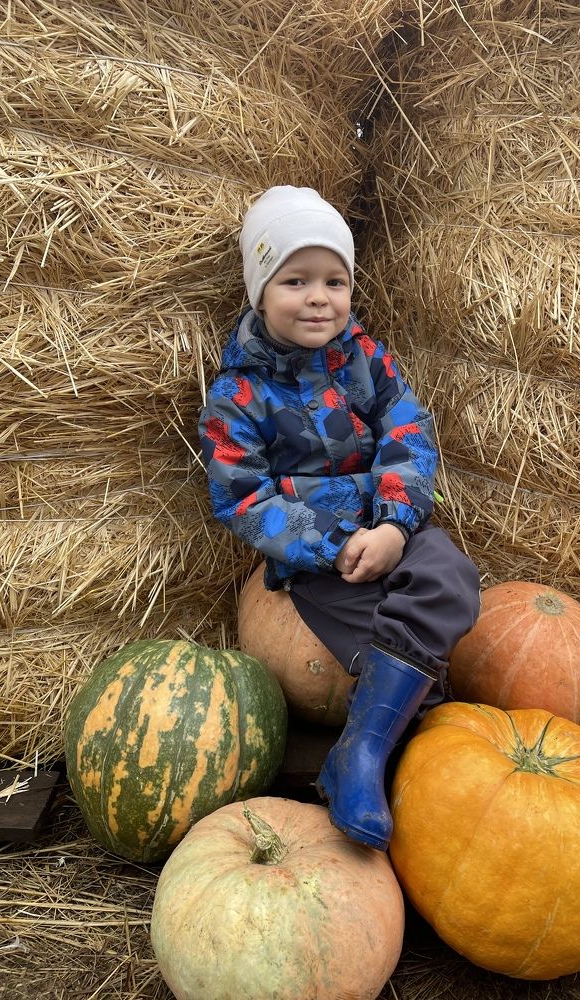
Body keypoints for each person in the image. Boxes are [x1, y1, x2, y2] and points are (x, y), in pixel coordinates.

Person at [199, 186, 480, 851]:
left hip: (389, 529)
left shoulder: (366, 359)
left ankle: (359, 751)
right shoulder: (237, 396)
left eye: (334, 281)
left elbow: (409, 434)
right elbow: (242, 500)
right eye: (295, 281)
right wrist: (337, 545)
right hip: (319, 559)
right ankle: (374, 758)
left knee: (450, 574)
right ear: (259, 292)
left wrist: (394, 525)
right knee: (386, 655)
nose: (318, 298)